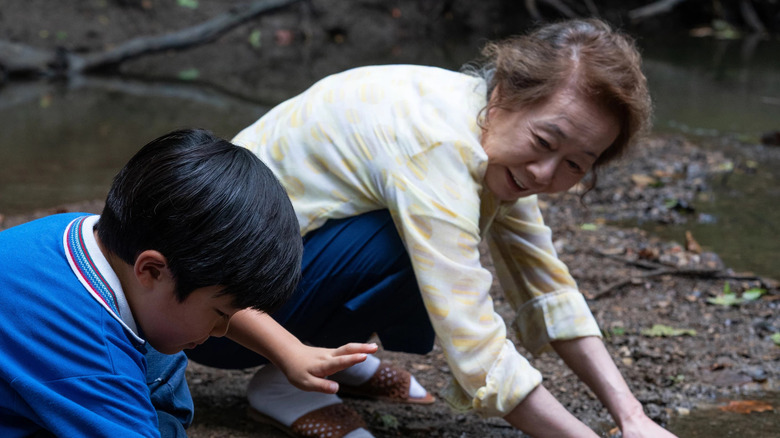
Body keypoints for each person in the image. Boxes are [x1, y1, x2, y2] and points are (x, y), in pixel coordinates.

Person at [187, 18, 678, 438]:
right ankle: (286, 382)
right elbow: (474, 343)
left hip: (264, 278)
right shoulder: (438, 150)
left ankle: (331, 349)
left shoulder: (482, 123)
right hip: (211, 316)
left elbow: (544, 283)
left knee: (421, 231)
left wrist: (632, 417)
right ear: (505, 93)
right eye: (546, 140)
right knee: (411, 244)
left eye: (575, 164)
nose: (546, 174)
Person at [0, 129, 376, 437]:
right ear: (151, 270)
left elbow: (208, 292)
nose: (221, 330)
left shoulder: (92, 234)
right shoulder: (96, 359)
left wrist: (289, 351)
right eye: (218, 313)